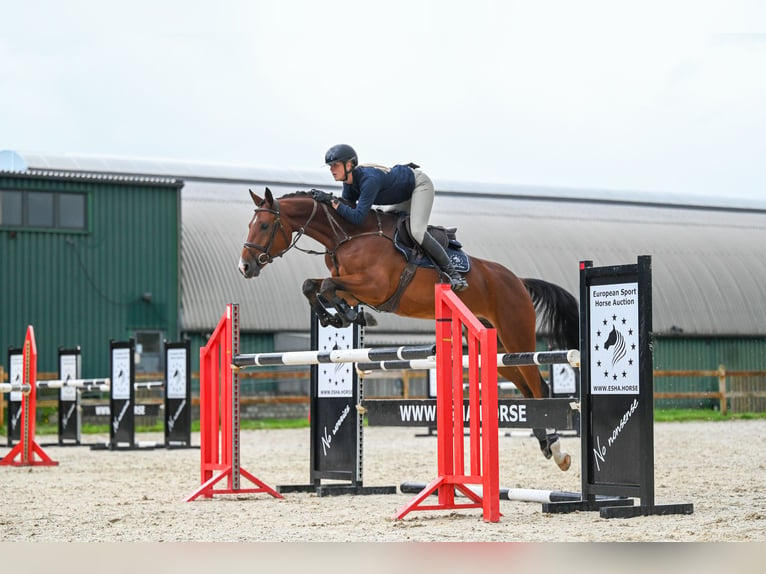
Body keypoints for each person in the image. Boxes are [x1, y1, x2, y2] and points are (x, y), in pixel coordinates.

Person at [322, 144, 468, 292]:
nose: (332, 170)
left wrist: (332, 202)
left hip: (419, 185)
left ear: (349, 164)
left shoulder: (369, 180)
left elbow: (358, 217)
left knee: (417, 232)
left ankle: (454, 274)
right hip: (402, 193)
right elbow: (347, 212)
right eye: (330, 166)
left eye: (335, 165)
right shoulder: (348, 184)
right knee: (385, 220)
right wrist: (326, 203)